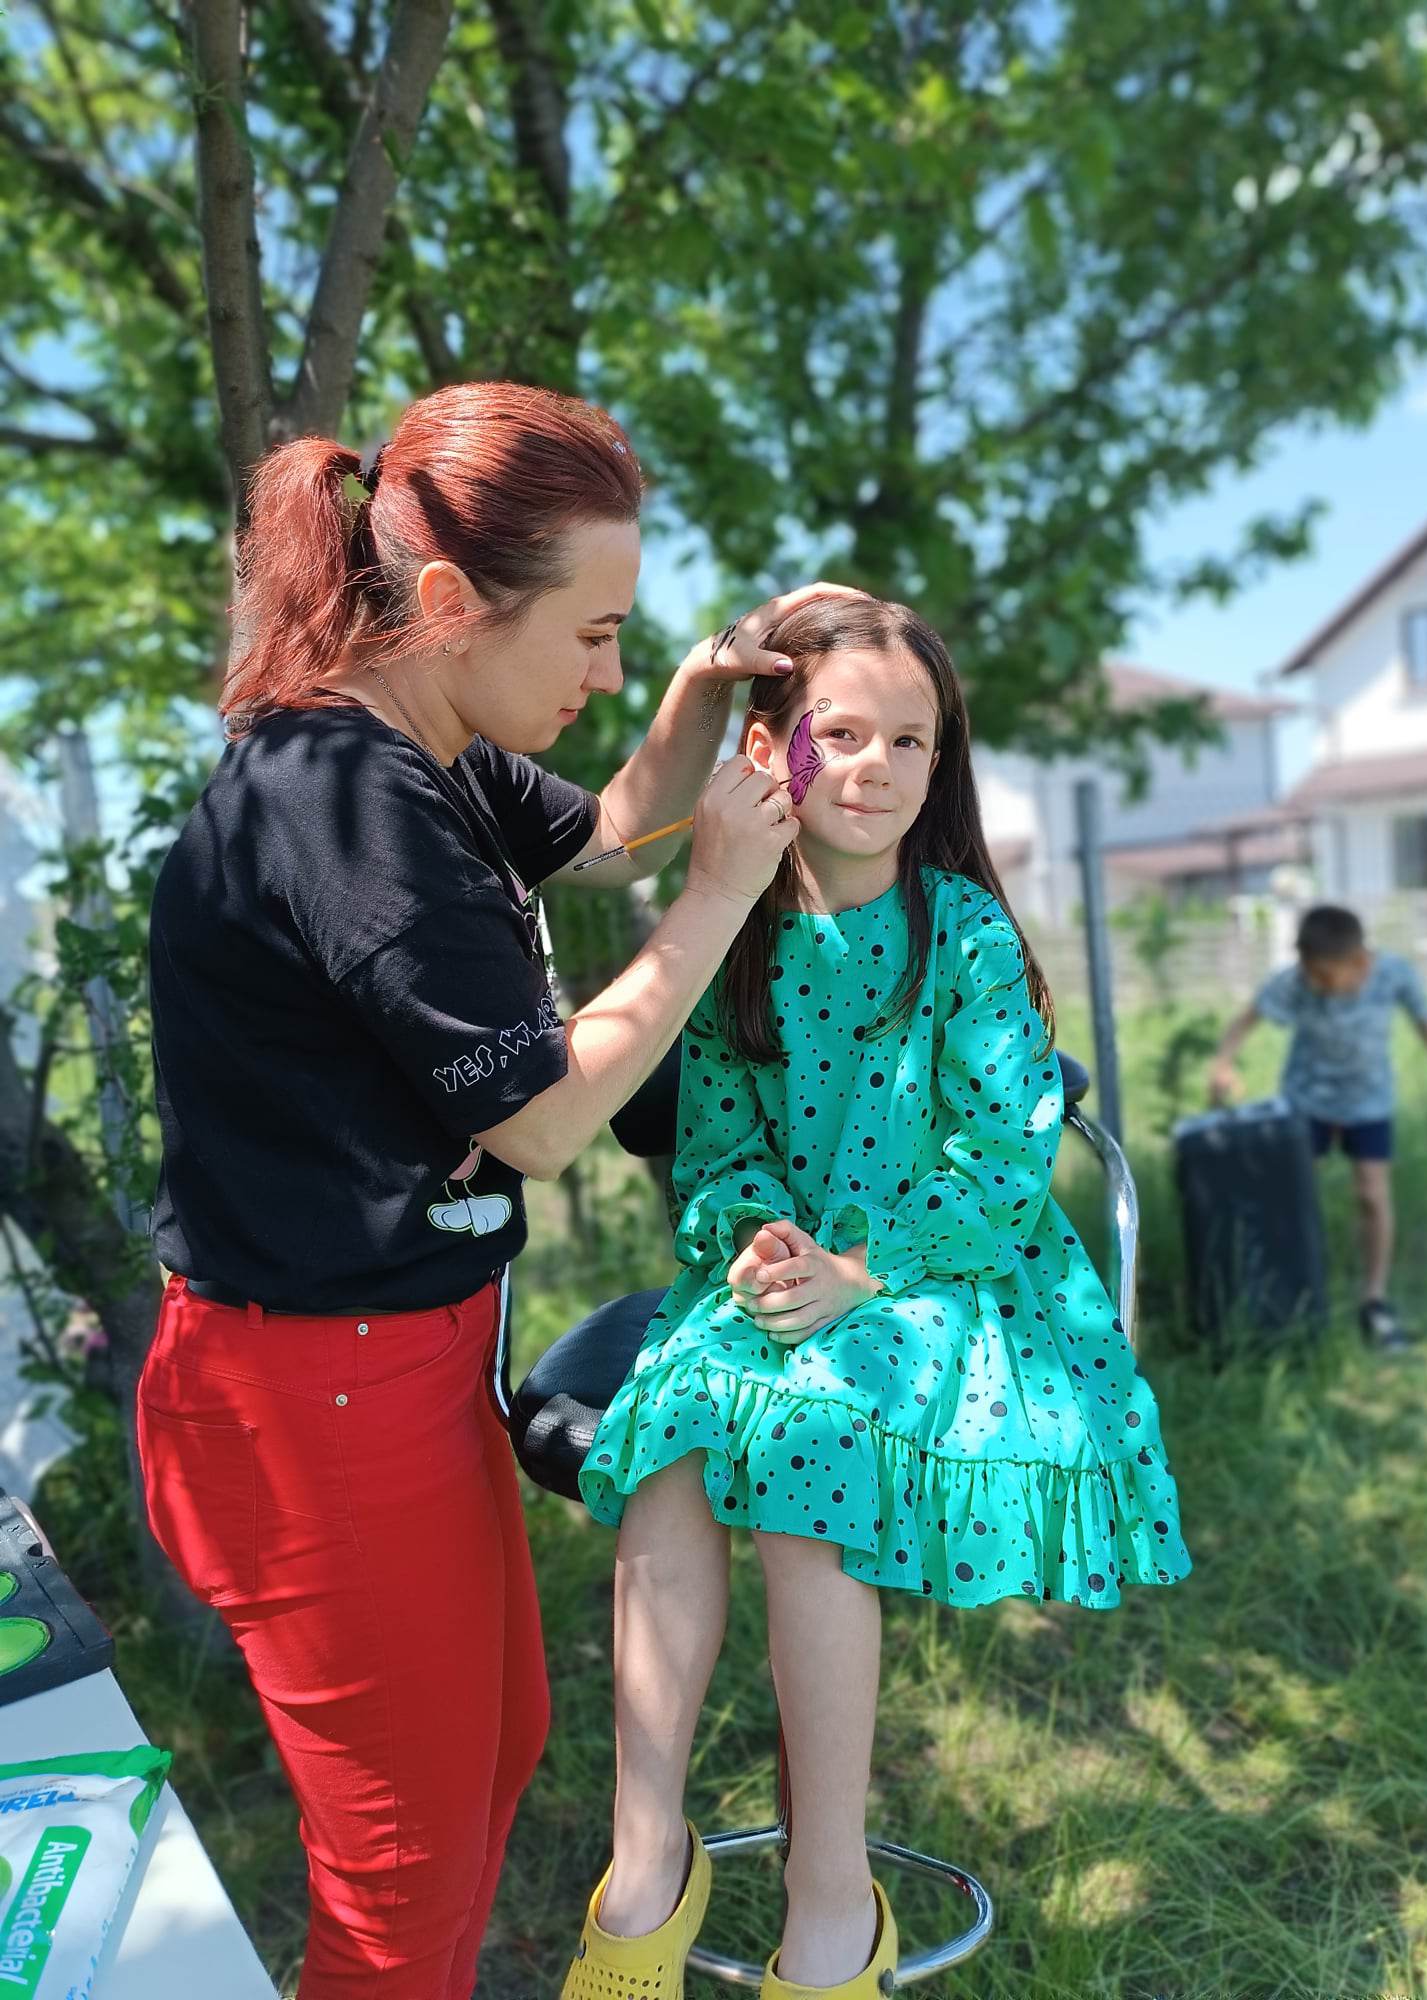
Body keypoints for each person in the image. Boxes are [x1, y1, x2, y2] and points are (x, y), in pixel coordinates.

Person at [138, 376, 859, 1998]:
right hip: (304, 1407)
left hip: (395, 1366)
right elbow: (540, 1121)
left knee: (498, 1746)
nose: (605, 674)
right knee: (399, 1888)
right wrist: (724, 892)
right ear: (455, 602)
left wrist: (696, 693)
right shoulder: (346, 809)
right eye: (592, 635)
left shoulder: (433, 751)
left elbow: (608, 833)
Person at [565, 599, 1192, 2000]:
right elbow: (719, 1139)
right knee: (670, 1442)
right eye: (840, 733)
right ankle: (647, 1855)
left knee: (813, 1457)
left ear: (940, 762)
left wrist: (860, 1270)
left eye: (911, 740)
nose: (876, 766)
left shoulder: (961, 932)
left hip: (945, 1274)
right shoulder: (738, 931)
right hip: (784, 1272)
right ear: (769, 752)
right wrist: (753, 1238)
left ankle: (832, 1893)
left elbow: (1005, 1159)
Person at [1209, 902, 1427, 1352]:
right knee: (1294, 1197)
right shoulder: (1296, 981)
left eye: (1324, 975)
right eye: (1309, 973)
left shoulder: (1394, 973)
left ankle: (1374, 1300)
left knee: (1372, 1194)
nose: (1315, 983)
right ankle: (1294, 1290)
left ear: (1358, 961)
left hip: (1369, 1103)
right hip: (1307, 1102)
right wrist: (1223, 1064)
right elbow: (1244, 1021)